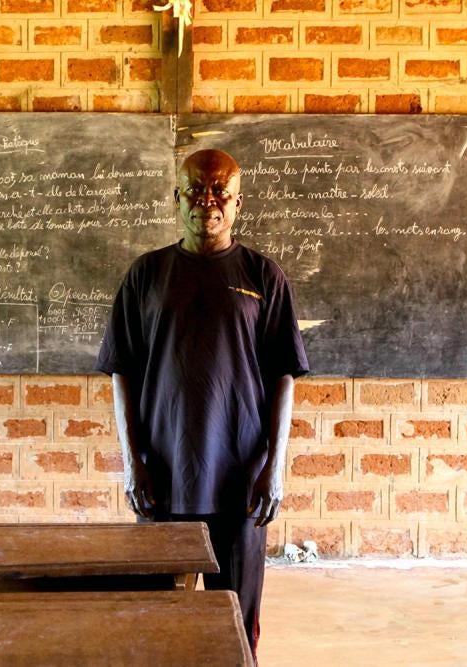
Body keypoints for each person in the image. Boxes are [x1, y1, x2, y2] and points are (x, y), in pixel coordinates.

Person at [95, 148, 309, 658]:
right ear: (177, 197)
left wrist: (273, 468)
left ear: (238, 202)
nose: (207, 202)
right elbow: (122, 373)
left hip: (241, 479)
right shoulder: (147, 275)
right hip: (162, 475)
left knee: (236, 620)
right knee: (159, 621)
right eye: (195, 190)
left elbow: (284, 376)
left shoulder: (263, 276)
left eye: (220, 192)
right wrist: (133, 464)